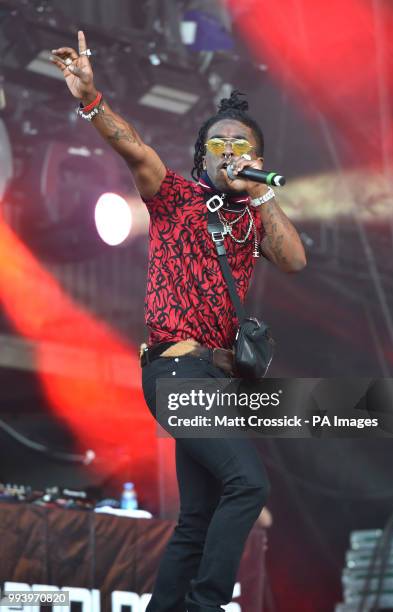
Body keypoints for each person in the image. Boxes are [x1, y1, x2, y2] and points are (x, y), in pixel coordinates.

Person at [51, 31, 306, 612]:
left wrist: (262, 194)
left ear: (258, 159)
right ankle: (206, 605)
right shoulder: (174, 197)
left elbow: (294, 259)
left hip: (218, 380)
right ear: (201, 154)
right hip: (176, 372)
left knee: (199, 516)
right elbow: (135, 148)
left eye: (240, 145)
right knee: (250, 485)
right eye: (218, 143)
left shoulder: (252, 218)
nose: (229, 151)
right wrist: (91, 99)